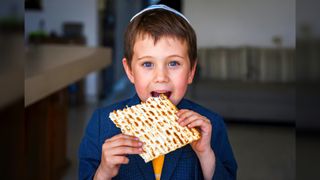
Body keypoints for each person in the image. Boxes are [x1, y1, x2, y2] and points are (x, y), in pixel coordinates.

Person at [79, 4, 237, 180]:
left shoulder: (209, 126)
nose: (161, 77)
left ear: (191, 71)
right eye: (147, 64)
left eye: (173, 63)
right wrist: (103, 172)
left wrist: (205, 153)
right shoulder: (102, 124)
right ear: (130, 71)